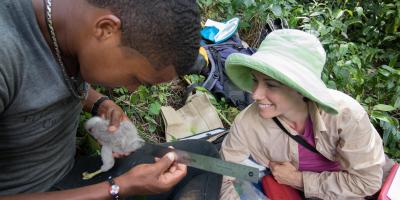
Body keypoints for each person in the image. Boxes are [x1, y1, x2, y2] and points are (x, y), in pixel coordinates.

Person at [0, 0, 221, 199]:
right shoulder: (6, 51)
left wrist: (101, 104)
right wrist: (118, 187)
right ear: (106, 29)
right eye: (136, 78)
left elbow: (42, 80)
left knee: (206, 157)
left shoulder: (70, 27)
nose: (132, 89)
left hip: (70, 175)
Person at [219, 29, 394, 199]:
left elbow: (367, 182)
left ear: (301, 89)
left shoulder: (346, 116)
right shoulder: (248, 123)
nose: (255, 95)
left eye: (271, 85)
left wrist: (299, 180)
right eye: (255, 80)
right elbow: (223, 173)